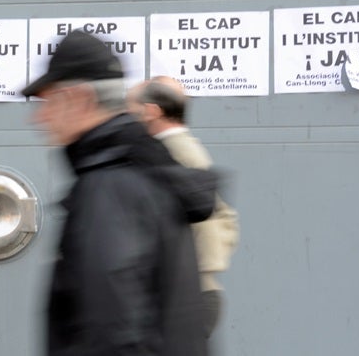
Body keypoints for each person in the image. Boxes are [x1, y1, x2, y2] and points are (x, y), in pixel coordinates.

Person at [22, 30, 214, 356]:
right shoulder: (146, 170)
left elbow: (112, 327)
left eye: (48, 102)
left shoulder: (108, 186)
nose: (39, 117)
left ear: (78, 99)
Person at [126, 76, 240, 338]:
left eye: (132, 110)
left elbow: (209, 214)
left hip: (183, 299)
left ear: (152, 112)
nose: (127, 119)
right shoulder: (177, 149)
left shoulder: (173, 151)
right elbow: (224, 218)